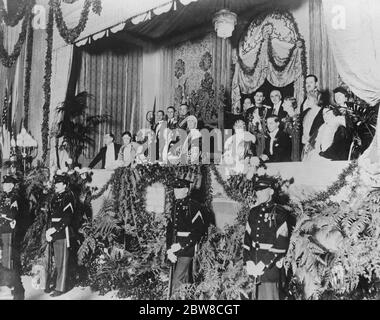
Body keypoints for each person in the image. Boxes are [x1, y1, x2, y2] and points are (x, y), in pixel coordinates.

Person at [243, 177, 291, 300]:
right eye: (257, 190)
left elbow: (281, 244)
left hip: (270, 267)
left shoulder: (280, 213)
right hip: (253, 265)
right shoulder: (253, 212)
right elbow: (247, 239)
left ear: (271, 192)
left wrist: (263, 264)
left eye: (262, 190)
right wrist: (247, 261)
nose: (258, 193)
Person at [166, 178, 209, 295]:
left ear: (186, 190)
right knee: (180, 280)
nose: (176, 191)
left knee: (177, 280)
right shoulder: (175, 206)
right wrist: (169, 249)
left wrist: (181, 245)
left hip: (187, 249)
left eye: (179, 188)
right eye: (175, 188)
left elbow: (198, 231)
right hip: (175, 247)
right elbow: (170, 230)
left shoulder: (194, 206)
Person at [45, 173, 76, 297]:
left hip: (62, 232)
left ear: (64, 185)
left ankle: (60, 287)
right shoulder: (55, 197)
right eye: (55, 183)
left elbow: (67, 217)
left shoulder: (68, 197)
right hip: (52, 230)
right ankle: (51, 283)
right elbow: (50, 216)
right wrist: (48, 230)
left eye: (58, 183)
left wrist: (55, 229)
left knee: (62, 260)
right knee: (55, 260)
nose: (55, 185)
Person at [0, 175, 24, 300]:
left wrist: (3, 215)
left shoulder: (15, 197)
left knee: (8, 257)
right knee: (3, 256)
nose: (4, 185)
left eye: (6, 184)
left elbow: (13, 213)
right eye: (4, 183)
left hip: (8, 230)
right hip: (1, 229)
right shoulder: (3, 196)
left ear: (12, 186)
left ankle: (11, 284)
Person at [300, 75, 324, 157]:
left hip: (315, 141)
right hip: (305, 138)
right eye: (306, 83)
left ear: (316, 84)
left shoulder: (321, 97)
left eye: (311, 82)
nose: (308, 85)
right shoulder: (305, 100)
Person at [282, 97, 301, 161]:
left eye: (284, 103)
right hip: (287, 148)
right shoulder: (287, 117)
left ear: (290, 105)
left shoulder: (297, 119)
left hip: (294, 148)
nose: (282, 105)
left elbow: (296, 137)